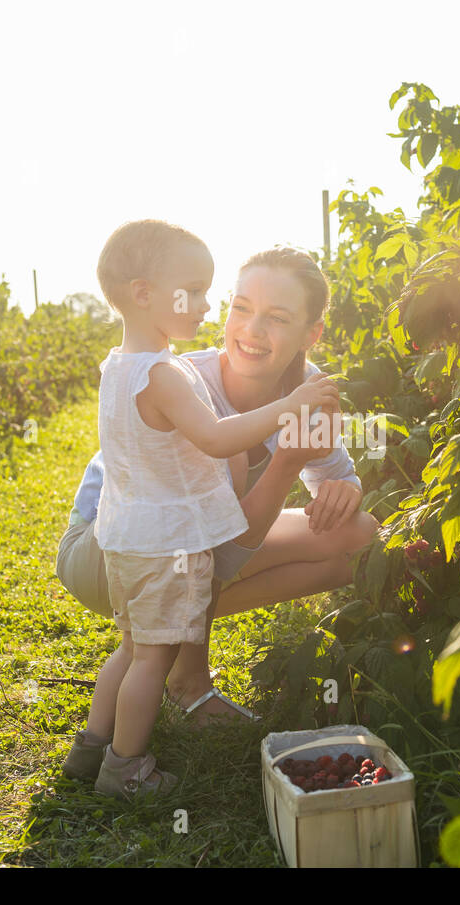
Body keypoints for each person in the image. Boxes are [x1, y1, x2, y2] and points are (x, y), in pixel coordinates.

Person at [63, 220, 341, 798]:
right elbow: (217, 438)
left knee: (132, 648)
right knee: (151, 660)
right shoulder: (169, 374)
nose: (209, 306)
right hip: (157, 543)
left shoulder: (120, 364)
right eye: (198, 291)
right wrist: (290, 408)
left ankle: (89, 749)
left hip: (126, 537)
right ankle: (126, 768)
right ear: (145, 294)